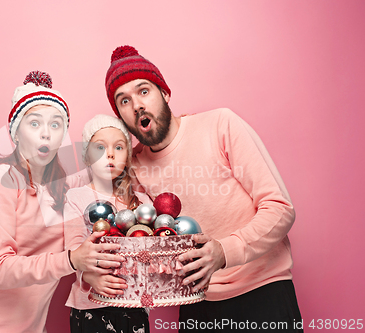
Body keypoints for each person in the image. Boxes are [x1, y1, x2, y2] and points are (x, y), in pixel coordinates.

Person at [104, 46, 303, 332]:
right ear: (121, 116)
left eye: (143, 91)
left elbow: (281, 209)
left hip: (263, 292)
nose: (136, 105)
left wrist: (224, 251)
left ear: (165, 93)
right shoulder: (133, 165)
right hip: (197, 305)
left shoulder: (220, 124)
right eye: (124, 100)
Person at [0, 71, 124, 333]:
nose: (46, 134)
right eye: (34, 124)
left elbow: (108, 164)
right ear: (15, 133)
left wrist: (138, 145)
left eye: (55, 125)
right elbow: (0, 269)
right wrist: (73, 259)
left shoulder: (62, 188)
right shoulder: (0, 180)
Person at [63, 114, 152, 333]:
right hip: (91, 307)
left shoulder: (141, 203)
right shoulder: (76, 197)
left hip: (134, 307)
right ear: (87, 156)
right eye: (100, 147)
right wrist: (88, 276)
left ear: (128, 155)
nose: (110, 154)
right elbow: (74, 248)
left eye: (119, 147)